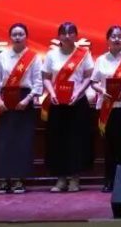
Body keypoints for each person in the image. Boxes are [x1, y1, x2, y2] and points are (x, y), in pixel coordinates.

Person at [0, 23, 41, 194]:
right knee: (4, 141)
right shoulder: (2, 56)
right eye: (14, 34)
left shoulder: (33, 57)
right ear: (10, 37)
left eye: (21, 34)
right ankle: (4, 179)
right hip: (5, 101)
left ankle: (18, 180)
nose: (17, 37)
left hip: (25, 100)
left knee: (22, 141)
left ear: (26, 36)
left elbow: (38, 83)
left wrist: (27, 100)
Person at [42, 22, 94, 192]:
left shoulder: (84, 54)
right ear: (58, 36)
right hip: (57, 103)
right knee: (58, 141)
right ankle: (61, 179)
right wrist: (52, 93)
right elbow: (46, 78)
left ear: (76, 35)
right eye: (63, 33)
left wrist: (77, 93)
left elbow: (88, 77)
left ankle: (75, 179)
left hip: (77, 103)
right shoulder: (51, 55)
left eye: (71, 32)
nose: (67, 36)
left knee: (76, 140)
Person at [91, 25, 121, 192]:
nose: (117, 39)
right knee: (109, 145)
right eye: (113, 36)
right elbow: (94, 82)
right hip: (107, 106)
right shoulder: (101, 59)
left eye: (120, 36)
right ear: (108, 39)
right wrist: (102, 91)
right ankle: (109, 180)